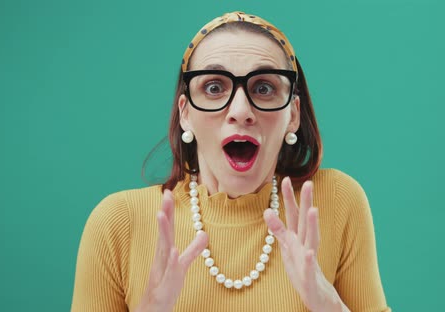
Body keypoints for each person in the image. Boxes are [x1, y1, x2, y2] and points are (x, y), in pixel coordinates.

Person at [71, 11, 391, 312]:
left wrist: (328, 305)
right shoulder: (118, 223)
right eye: (214, 87)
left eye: (264, 88)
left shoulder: (336, 201)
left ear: (292, 115)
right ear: (185, 113)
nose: (240, 110)